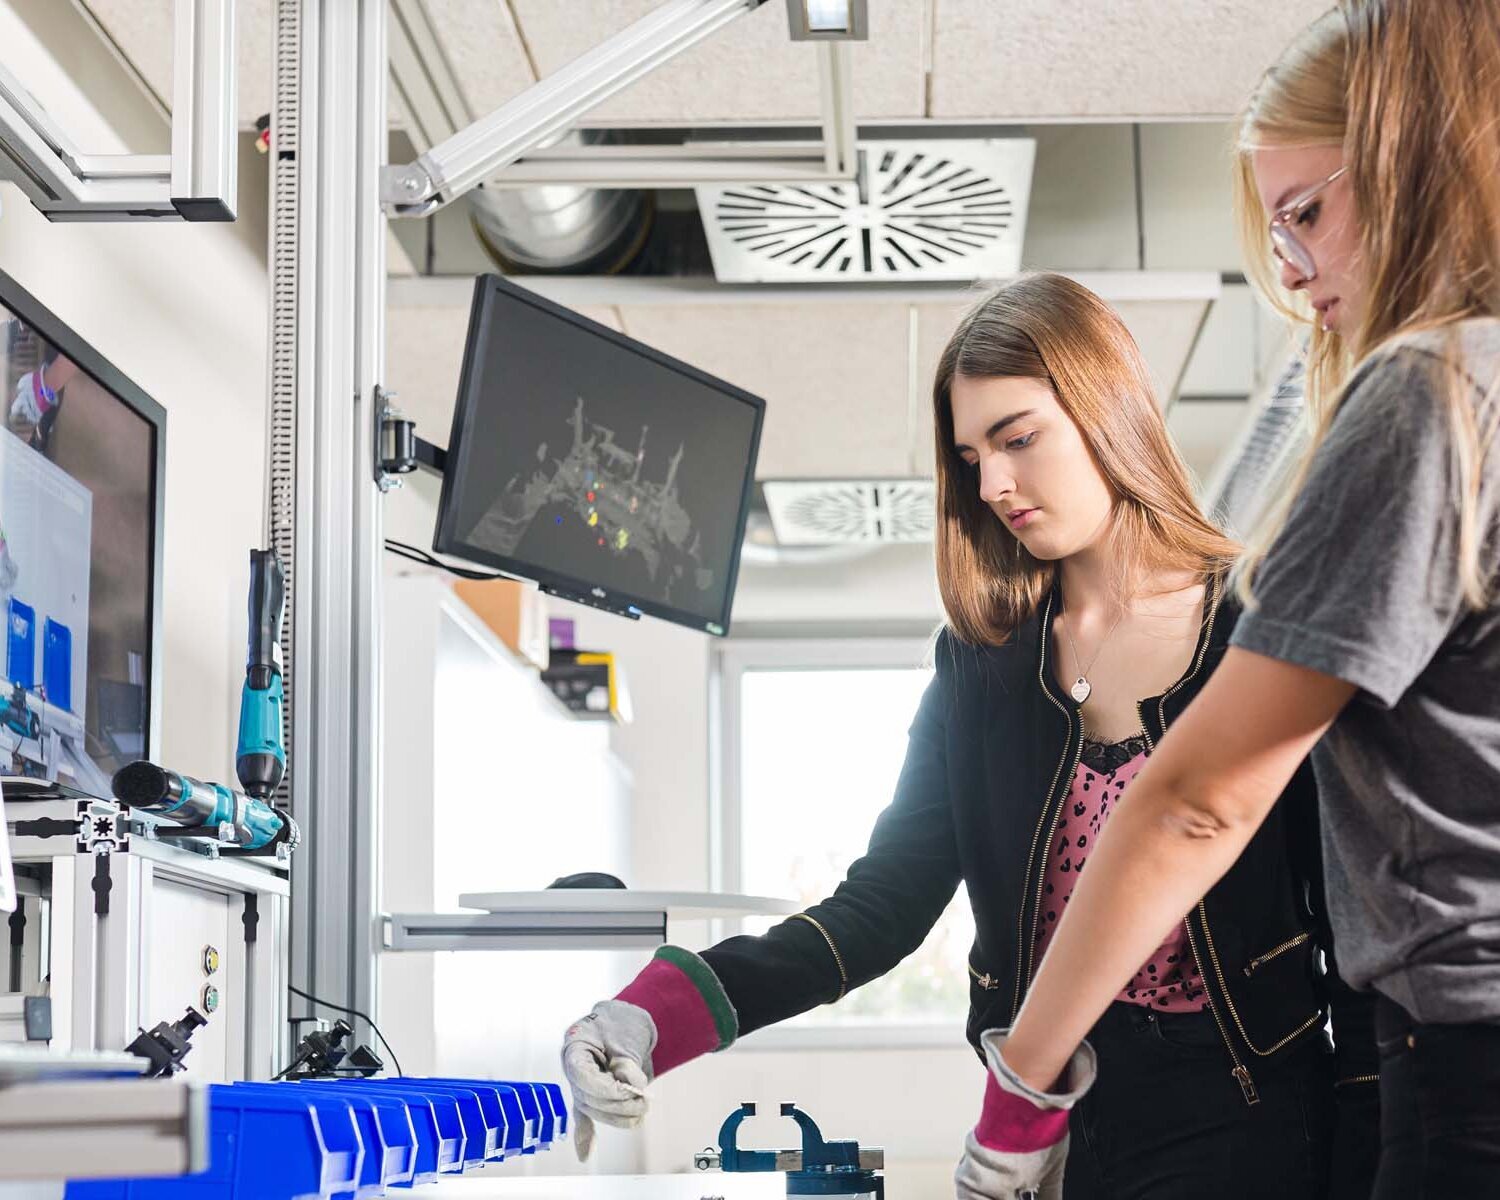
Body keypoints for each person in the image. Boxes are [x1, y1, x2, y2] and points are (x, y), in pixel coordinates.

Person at [561, 272, 1378, 1199]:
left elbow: (1356, 936)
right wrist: (650, 1016)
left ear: (1107, 410)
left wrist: (1371, 1159)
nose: (992, 484)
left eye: (1017, 438)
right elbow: (878, 908)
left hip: (1251, 1118)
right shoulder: (980, 669)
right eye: (970, 456)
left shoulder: (1258, 626)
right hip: (1044, 1126)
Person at [972, 4, 1500, 1198]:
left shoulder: (1431, 397)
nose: (1292, 270)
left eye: (1308, 212)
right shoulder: (990, 659)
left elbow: (1201, 802)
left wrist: (1017, 1104)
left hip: (1450, 1065)